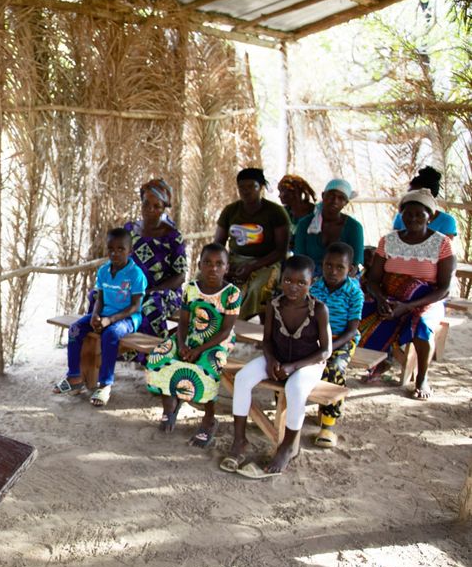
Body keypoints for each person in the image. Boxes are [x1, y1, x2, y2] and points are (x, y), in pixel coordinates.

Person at [223, 255, 332, 476]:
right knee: (243, 378)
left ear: (311, 283)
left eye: (301, 282)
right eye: (288, 281)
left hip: (307, 363)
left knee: (295, 388)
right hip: (278, 357)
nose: (294, 287)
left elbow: (325, 351)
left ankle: (286, 446)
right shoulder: (274, 305)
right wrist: (272, 360)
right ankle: (239, 439)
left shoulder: (319, 309)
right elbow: (267, 341)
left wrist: (292, 367)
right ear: (281, 280)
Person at [360, 189, 455, 400]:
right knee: (358, 313)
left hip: (426, 299)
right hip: (390, 296)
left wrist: (409, 306)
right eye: (408, 213)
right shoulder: (388, 241)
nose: (413, 218)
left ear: (429, 216)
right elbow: (373, 279)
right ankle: (380, 359)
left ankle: (421, 377)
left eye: (419, 214)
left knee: (421, 325)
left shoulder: (441, 244)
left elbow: (444, 288)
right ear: (401, 215)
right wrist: (382, 299)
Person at [145, 243, 241, 447]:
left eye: (219, 264)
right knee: (159, 357)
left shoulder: (232, 294)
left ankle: (209, 418)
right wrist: (181, 344)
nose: (212, 268)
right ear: (199, 264)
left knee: (209, 367)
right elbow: (184, 322)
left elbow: (225, 330)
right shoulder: (190, 288)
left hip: (218, 342)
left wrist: (199, 350)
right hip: (190, 336)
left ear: (227, 267)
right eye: (207, 262)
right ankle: (170, 404)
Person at [53, 227, 146, 408]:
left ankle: (105, 384)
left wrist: (109, 321)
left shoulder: (136, 274)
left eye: (121, 249)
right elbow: (99, 299)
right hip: (103, 314)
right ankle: (75, 377)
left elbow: (135, 306)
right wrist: (95, 315)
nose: (115, 253)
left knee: (110, 335)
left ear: (130, 251)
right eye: (111, 249)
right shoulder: (104, 271)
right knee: (75, 329)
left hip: (128, 318)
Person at [215, 168, 291, 320]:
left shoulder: (275, 212)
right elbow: (218, 244)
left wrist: (252, 267)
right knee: (207, 277)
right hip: (234, 259)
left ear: (261, 187)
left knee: (257, 288)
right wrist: (223, 265)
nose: (246, 191)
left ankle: (239, 322)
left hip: (267, 262)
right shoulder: (230, 211)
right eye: (242, 187)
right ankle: (209, 319)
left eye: (251, 187)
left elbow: (281, 250)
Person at [309, 243, 364, 448]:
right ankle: (286, 410)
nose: (333, 271)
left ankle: (328, 425)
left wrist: (329, 348)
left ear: (350, 270)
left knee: (335, 368)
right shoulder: (315, 287)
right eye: (328, 266)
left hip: (342, 340)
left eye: (339, 267)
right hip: (314, 337)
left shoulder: (354, 293)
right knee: (290, 360)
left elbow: (352, 330)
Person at [123, 178, 188, 341]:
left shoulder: (173, 237)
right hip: (133, 287)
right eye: (146, 204)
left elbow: (180, 276)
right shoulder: (129, 230)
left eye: (157, 206)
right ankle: (104, 347)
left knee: (151, 304)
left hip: (164, 292)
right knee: (98, 295)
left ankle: (151, 353)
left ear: (164, 208)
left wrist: (150, 291)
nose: (150, 209)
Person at [293, 179, 364, 277]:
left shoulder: (354, 227)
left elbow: (355, 265)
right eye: (331, 195)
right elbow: (299, 260)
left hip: (341, 278)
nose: (335, 201)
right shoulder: (305, 224)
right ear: (323, 195)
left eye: (341, 198)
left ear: (346, 203)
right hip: (309, 276)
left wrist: (335, 286)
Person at [392, 166, 458, 238]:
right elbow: (392, 244)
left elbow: (444, 248)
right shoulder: (400, 217)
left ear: (430, 198)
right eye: (409, 194)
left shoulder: (446, 221)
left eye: (415, 196)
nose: (410, 199)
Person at [277, 174, 317, 243]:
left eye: (282, 191)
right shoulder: (283, 212)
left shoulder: (314, 212)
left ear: (294, 192)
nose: (279, 196)